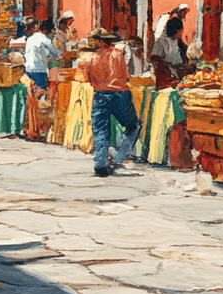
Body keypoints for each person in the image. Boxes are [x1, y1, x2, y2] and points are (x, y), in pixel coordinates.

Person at [79, 27, 141, 177]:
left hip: (100, 95)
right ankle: (119, 157)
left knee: (100, 130)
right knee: (133, 126)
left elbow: (87, 78)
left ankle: (100, 164)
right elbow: (125, 75)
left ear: (100, 42)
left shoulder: (92, 57)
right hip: (119, 94)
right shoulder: (117, 54)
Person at [151, 16, 191, 90]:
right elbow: (154, 57)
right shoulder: (161, 41)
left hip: (178, 71)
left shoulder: (177, 40)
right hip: (167, 75)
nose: (181, 33)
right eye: (181, 31)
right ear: (177, 30)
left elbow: (184, 52)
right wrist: (165, 66)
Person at [23, 18, 60, 91]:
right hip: (39, 72)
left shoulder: (30, 39)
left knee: (30, 94)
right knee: (41, 94)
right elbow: (56, 53)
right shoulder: (44, 39)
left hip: (28, 70)